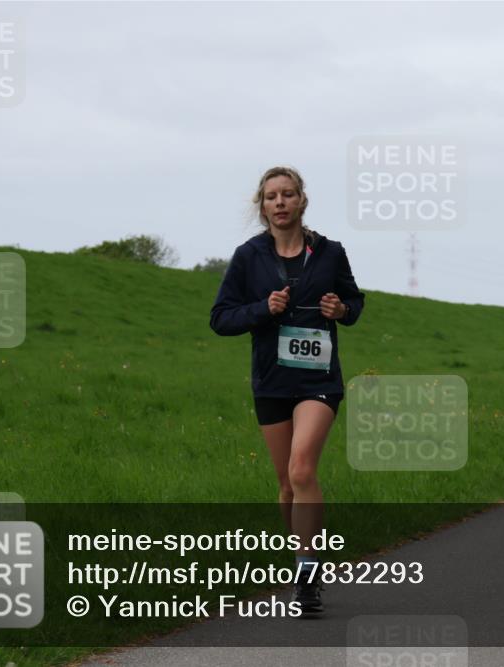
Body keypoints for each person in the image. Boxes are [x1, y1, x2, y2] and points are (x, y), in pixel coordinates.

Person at [210, 166, 365, 614]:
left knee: (301, 470)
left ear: (302, 201)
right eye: (271, 196)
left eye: (288, 194)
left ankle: (308, 573)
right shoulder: (249, 256)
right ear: (262, 206)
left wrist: (341, 309)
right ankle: (300, 556)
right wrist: (263, 308)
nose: (279, 203)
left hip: (319, 380)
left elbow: (355, 303)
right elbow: (220, 318)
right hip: (271, 380)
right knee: (285, 485)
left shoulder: (330, 252)